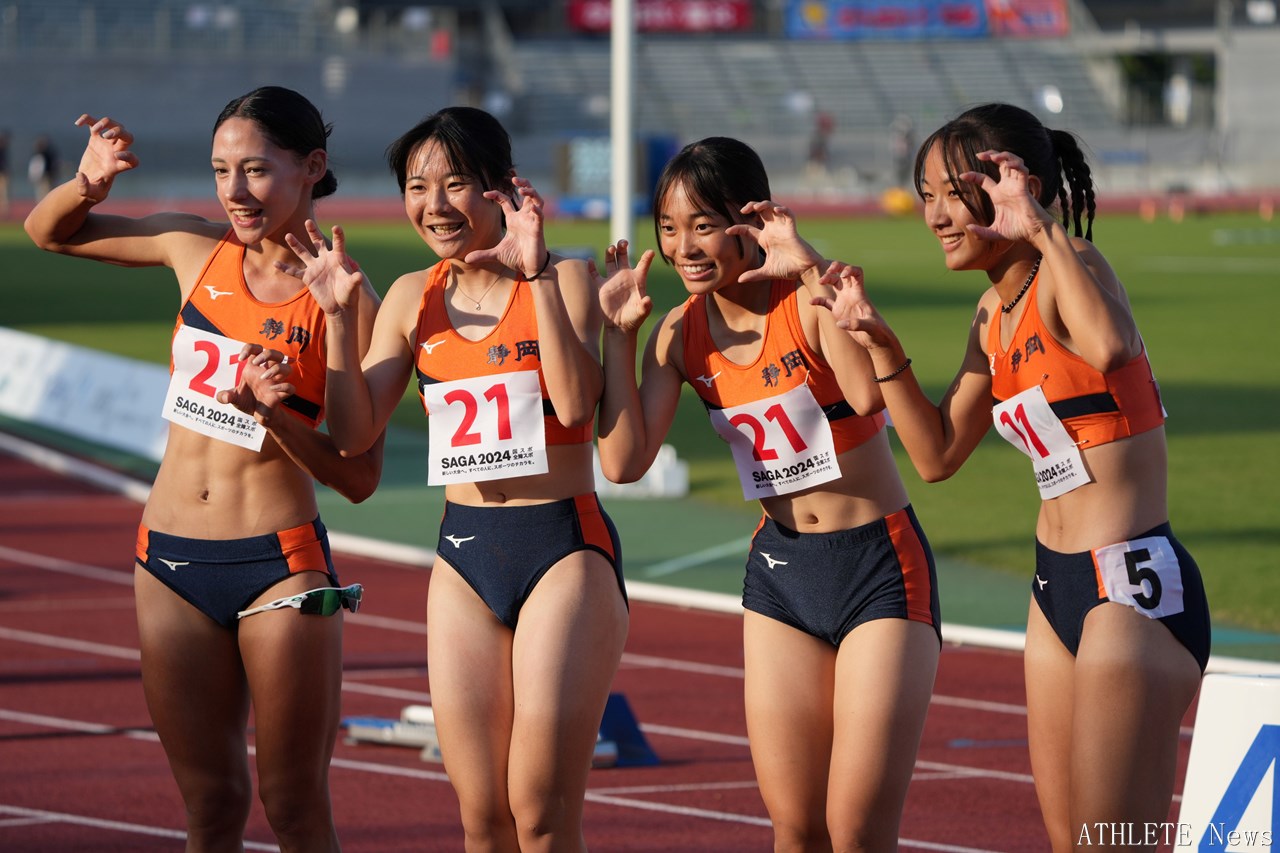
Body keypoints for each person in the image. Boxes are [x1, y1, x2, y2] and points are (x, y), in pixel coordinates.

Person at [819, 102, 1210, 851]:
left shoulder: (1075, 264)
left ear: (1012, 187)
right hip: (1053, 588)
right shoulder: (990, 317)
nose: (935, 215)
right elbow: (935, 455)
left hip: (1128, 586)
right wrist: (881, 346)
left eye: (953, 193)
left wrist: (1041, 229)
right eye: (926, 195)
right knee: (1067, 840)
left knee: (1108, 843)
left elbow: (1110, 346)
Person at [23, 86, 383, 851]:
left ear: (311, 166)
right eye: (221, 170)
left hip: (279, 565)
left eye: (255, 169)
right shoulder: (194, 247)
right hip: (168, 561)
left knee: (293, 806)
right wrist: (89, 181)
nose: (234, 190)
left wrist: (276, 414)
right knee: (211, 806)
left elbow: (358, 476)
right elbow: (47, 233)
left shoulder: (348, 298)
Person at [291, 105, 628, 851]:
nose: (434, 205)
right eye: (416, 187)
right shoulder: (411, 295)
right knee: (483, 818)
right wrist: (339, 319)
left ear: (501, 187)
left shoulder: (567, 277)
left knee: (540, 813)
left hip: (562, 548)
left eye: (454, 184)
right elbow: (354, 435)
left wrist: (534, 275)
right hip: (464, 554)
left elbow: (577, 406)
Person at [595, 136, 941, 852]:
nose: (684, 247)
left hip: (877, 564)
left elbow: (866, 399)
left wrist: (810, 268)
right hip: (781, 573)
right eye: (669, 228)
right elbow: (623, 463)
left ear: (751, 220)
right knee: (795, 828)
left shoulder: (808, 303)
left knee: (857, 829)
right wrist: (619, 340)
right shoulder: (677, 334)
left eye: (703, 225)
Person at [28, 134, 59, 200]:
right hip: (43, 177)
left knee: (47, 193)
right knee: (42, 194)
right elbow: (36, 167)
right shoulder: (39, 154)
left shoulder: (48, 154)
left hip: (48, 176)